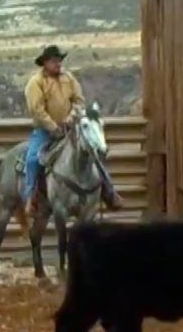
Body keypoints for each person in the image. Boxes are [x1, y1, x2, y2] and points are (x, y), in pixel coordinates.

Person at [23, 44, 124, 216]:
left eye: (60, 60)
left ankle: (109, 191)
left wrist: (70, 118)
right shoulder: (36, 82)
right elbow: (37, 110)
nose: (58, 64)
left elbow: (79, 100)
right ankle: (31, 199)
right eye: (54, 61)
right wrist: (53, 127)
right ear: (45, 63)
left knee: (94, 153)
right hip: (45, 131)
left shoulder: (69, 78)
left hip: (70, 128)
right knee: (32, 159)